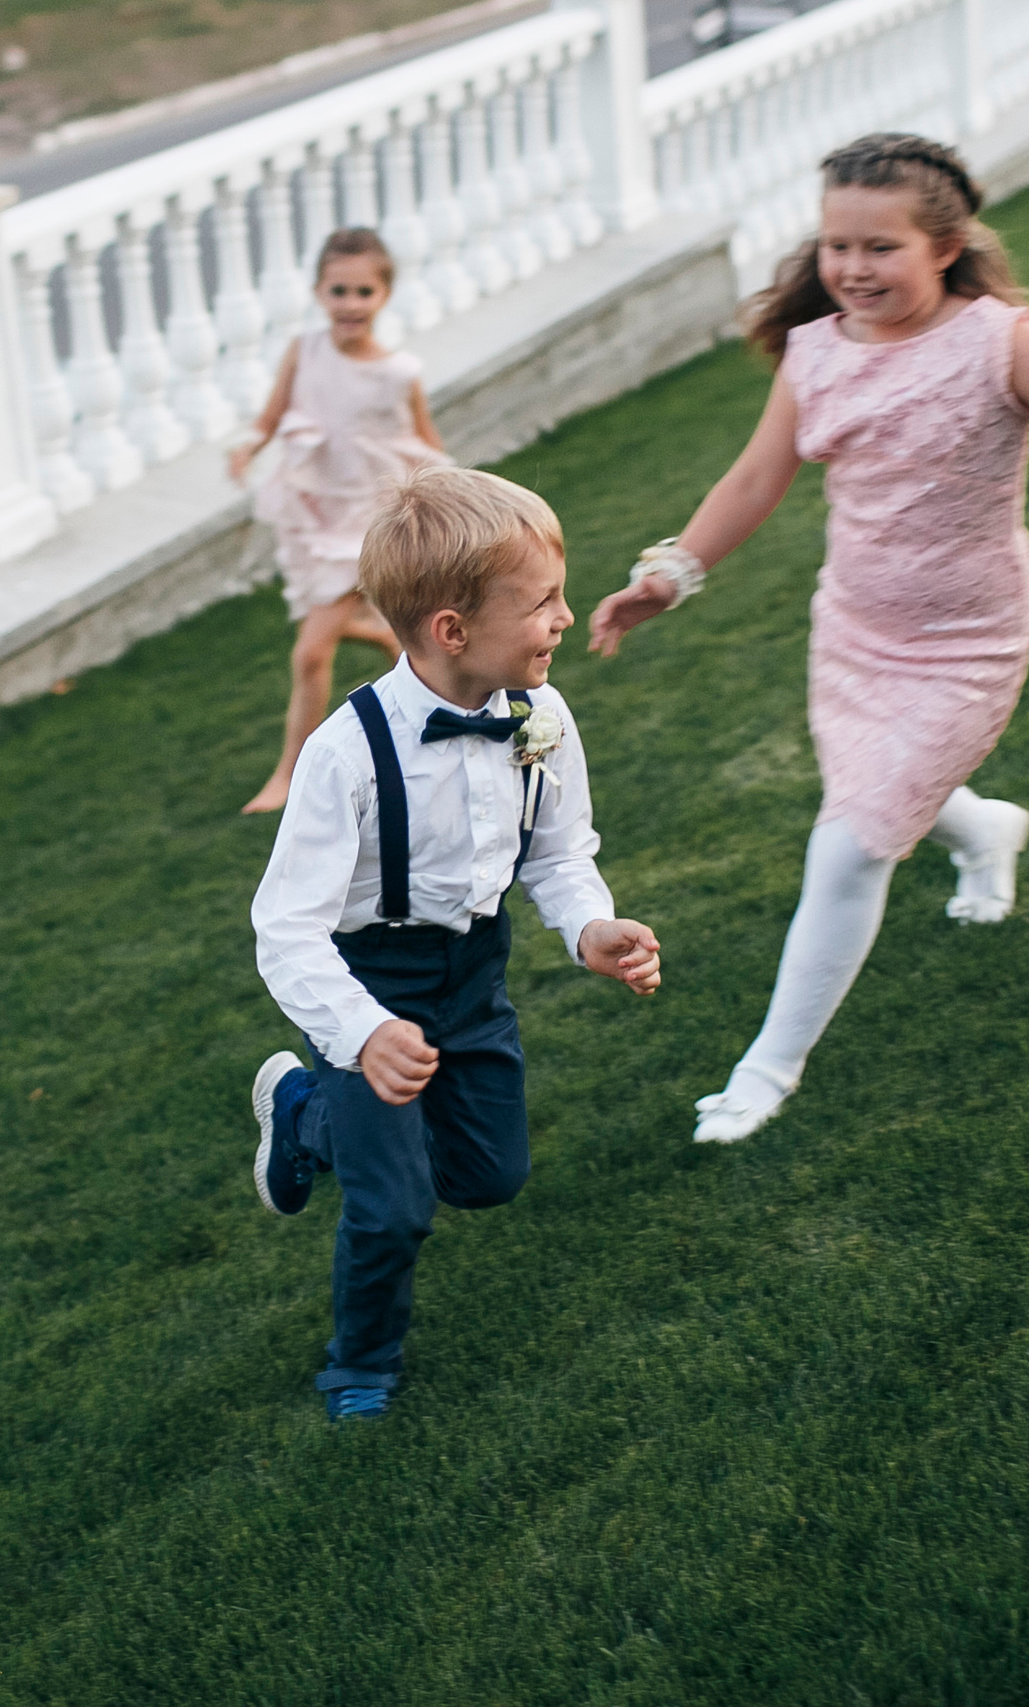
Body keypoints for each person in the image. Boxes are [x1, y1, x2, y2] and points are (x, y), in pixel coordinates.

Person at [587, 133, 1029, 1147]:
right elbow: (755, 480)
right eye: (836, 245)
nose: (850, 268)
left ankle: (767, 1070)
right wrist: (671, 575)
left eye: (879, 247)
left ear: (946, 244)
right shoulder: (814, 351)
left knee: (846, 847)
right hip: (853, 631)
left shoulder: (999, 342)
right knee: (877, 802)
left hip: (966, 643)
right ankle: (985, 831)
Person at [248, 466, 664, 1421]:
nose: (564, 619)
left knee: (489, 1173)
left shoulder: (544, 719)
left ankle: (305, 1114)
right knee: (393, 1209)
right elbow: (286, 927)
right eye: (545, 602)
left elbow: (560, 855)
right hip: (368, 984)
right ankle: (360, 1364)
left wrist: (591, 924)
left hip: (474, 975)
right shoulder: (345, 753)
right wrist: (359, 1032)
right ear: (453, 631)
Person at [230, 227, 452, 812]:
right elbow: (273, 414)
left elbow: (427, 442)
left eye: (363, 292)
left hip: (368, 522)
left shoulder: (399, 372)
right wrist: (248, 446)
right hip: (313, 508)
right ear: (318, 292)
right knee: (338, 625)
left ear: (383, 296)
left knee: (309, 652)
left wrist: (447, 499)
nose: (350, 304)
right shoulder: (304, 351)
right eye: (338, 291)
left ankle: (289, 775)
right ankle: (384, 636)